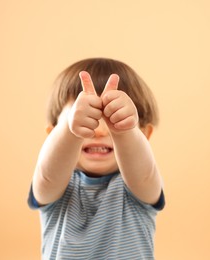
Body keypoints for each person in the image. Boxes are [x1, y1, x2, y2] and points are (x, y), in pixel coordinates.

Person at [28, 58, 165, 260]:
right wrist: (70, 131)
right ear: (53, 134)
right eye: (86, 119)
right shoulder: (57, 184)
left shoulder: (138, 186)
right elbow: (46, 176)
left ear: (144, 134)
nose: (99, 131)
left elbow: (144, 173)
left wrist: (123, 131)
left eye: (111, 119)